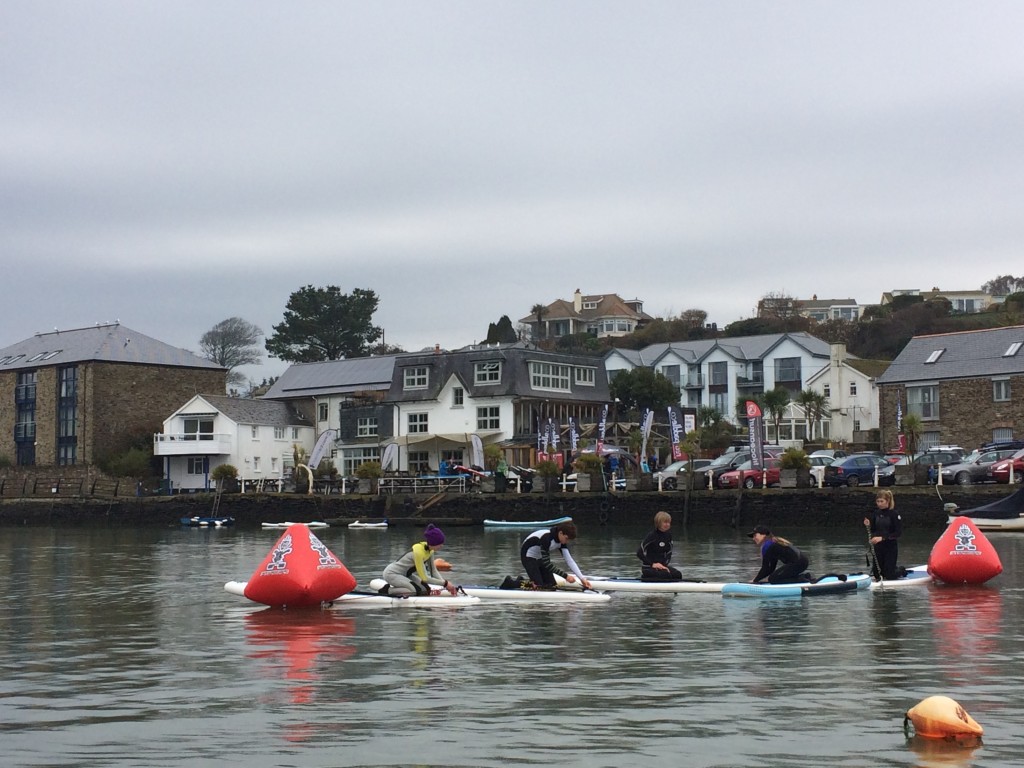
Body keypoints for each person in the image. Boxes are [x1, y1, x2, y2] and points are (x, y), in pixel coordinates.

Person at [381, 524, 457, 596]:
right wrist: (445, 583)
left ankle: (402, 588)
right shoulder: (418, 552)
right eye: (440, 544)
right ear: (433, 543)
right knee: (414, 591)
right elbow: (424, 578)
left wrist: (445, 585)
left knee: (426, 590)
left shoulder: (430, 551)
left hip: (406, 575)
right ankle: (387, 590)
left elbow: (433, 572)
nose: (441, 546)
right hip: (392, 574)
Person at [520, 521, 592, 590]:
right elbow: (547, 564)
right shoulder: (546, 538)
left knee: (552, 586)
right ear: (561, 533)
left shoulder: (561, 541)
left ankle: (527, 580)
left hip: (539, 557)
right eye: (566, 538)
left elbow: (569, 560)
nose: (567, 542)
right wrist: (565, 576)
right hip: (527, 556)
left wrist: (582, 579)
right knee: (538, 586)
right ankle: (513, 583)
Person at [864, 489, 902, 580]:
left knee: (889, 575)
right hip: (878, 547)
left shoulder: (894, 514)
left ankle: (901, 570)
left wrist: (883, 538)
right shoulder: (876, 514)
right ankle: (887, 570)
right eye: (878, 501)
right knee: (877, 575)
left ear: (887, 501)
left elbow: (898, 533)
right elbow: (873, 530)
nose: (879, 504)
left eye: (882, 501)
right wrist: (868, 525)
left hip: (890, 547)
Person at [637, 511, 682, 581]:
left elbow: (669, 553)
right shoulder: (652, 536)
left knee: (677, 575)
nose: (667, 524)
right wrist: (653, 564)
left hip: (662, 566)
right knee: (666, 575)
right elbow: (639, 553)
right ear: (658, 523)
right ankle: (646, 578)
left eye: (669, 522)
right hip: (649, 567)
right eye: (665, 522)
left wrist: (664, 566)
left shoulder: (668, 536)